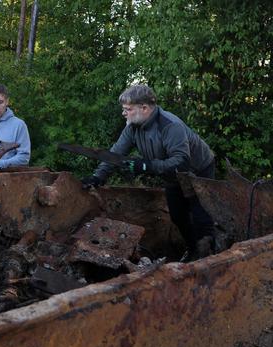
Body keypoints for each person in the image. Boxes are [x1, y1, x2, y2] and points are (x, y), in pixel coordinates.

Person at [81, 84, 216, 261]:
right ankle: (193, 250)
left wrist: (146, 166)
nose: (124, 113)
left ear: (144, 108)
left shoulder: (170, 125)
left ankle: (210, 257)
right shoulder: (132, 128)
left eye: (127, 109)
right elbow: (116, 155)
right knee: (177, 214)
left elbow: (181, 162)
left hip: (198, 171)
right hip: (171, 176)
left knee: (201, 216)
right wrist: (98, 176)